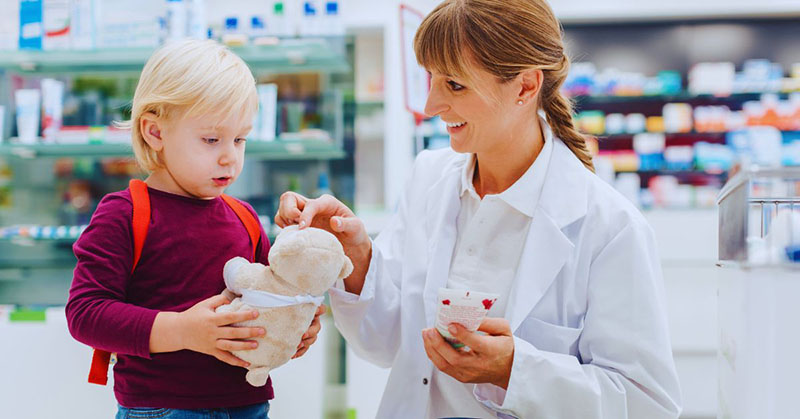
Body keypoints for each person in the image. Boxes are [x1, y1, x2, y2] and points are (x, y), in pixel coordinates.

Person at [275, 0, 682, 418]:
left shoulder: (608, 226)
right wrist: (357, 255)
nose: (431, 106)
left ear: (524, 87)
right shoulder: (429, 178)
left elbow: (647, 404)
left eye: (454, 85)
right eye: (430, 79)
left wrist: (514, 371)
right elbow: (385, 343)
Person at [66, 39, 323, 419]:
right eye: (211, 139)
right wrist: (184, 330)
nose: (229, 156)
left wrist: (296, 320)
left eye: (239, 139)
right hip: (162, 409)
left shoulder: (245, 217)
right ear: (155, 132)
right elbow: (86, 313)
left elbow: (270, 292)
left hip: (249, 405)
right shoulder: (124, 214)